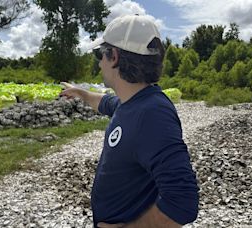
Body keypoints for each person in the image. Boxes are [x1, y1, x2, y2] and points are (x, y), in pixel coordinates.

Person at [60, 15, 199, 228]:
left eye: (101, 55)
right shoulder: (131, 103)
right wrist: (81, 93)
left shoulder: (152, 114)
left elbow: (182, 200)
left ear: (114, 56)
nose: (99, 62)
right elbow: (105, 102)